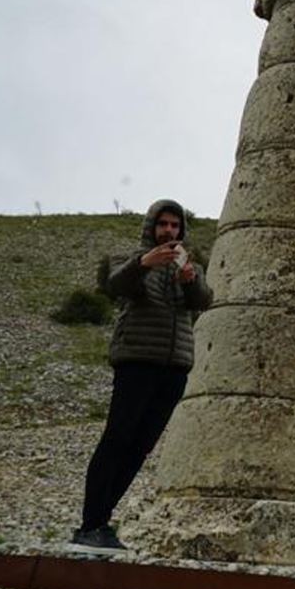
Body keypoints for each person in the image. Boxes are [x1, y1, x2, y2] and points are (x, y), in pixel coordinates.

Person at [72, 199, 212, 552]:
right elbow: (114, 286)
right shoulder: (133, 259)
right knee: (117, 438)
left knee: (140, 447)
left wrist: (189, 280)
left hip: (175, 366)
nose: (169, 231)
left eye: (174, 225)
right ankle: (90, 524)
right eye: (163, 224)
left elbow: (203, 300)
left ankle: (101, 521)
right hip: (137, 360)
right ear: (151, 226)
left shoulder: (188, 265)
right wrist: (143, 264)